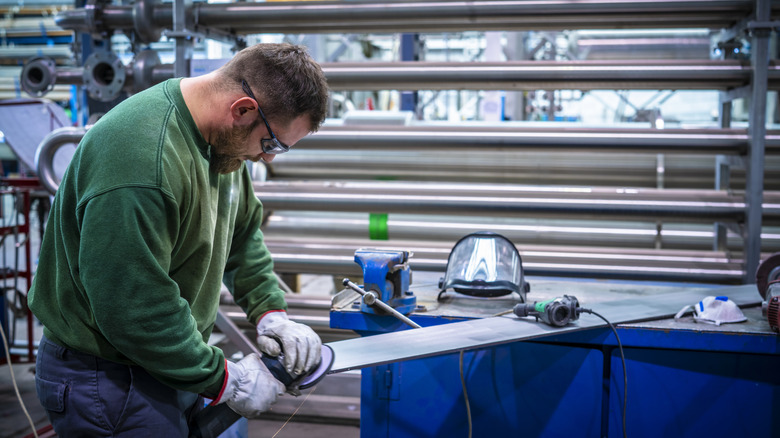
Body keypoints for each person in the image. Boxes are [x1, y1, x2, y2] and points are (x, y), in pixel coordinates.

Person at [27, 42, 330, 436]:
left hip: (164, 361)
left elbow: (240, 235)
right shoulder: (141, 161)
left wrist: (271, 314)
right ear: (242, 110)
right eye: (271, 144)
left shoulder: (224, 145)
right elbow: (135, 307)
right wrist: (224, 380)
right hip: (109, 378)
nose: (268, 158)